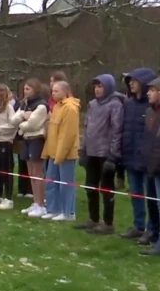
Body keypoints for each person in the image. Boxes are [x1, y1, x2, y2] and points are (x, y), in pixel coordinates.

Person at [76, 74, 124, 234]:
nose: (97, 89)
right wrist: (83, 149)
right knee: (90, 187)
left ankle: (108, 223)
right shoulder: (92, 105)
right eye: (96, 86)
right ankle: (93, 219)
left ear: (108, 87)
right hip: (91, 152)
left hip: (106, 153)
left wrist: (113, 156)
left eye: (101, 86)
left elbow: (117, 131)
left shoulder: (115, 105)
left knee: (106, 189)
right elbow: (88, 128)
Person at [120, 68, 160, 246]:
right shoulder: (128, 104)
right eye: (129, 80)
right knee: (135, 193)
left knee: (151, 197)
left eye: (134, 80)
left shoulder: (151, 107)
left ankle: (152, 229)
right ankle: (138, 225)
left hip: (148, 159)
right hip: (130, 155)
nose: (131, 83)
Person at [41, 80, 81, 222]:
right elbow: (52, 132)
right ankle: (53, 209)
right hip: (53, 151)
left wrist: (61, 154)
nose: (53, 93)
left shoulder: (70, 108)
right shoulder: (57, 107)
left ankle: (68, 212)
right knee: (51, 182)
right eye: (52, 91)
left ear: (65, 92)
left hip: (66, 154)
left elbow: (67, 135)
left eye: (56, 91)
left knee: (66, 183)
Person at [10, 78, 49, 217]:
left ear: (35, 90)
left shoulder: (41, 105)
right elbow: (13, 120)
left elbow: (33, 124)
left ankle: (41, 203)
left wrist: (24, 121)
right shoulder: (25, 104)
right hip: (26, 139)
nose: (25, 91)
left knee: (37, 172)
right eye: (24, 89)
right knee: (30, 172)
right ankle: (35, 201)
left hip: (36, 139)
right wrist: (23, 116)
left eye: (28, 89)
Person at [140, 77, 160, 256]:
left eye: (152, 90)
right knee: (152, 204)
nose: (148, 93)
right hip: (150, 166)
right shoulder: (149, 112)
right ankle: (154, 234)